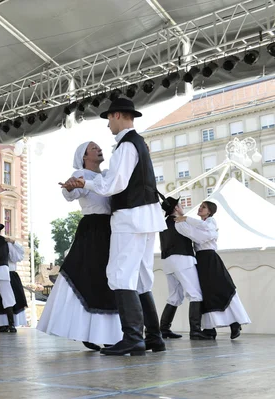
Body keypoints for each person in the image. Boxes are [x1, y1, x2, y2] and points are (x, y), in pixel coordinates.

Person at [74, 98, 167, 356]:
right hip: (146, 217)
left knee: (119, 274)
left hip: (130, 217)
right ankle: (155, 338)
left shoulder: (126, 146)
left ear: (116, 115)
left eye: (108, 119)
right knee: (140, 278)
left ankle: (134, 338)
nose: (107, 126)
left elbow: (114, 184)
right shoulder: (138, 143)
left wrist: (85, 184)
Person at [37, 141, 122, 351]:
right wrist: (69, 187)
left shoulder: (108, 175)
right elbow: (71, 193)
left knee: (107, 279)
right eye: (93, 148)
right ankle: (90, 330)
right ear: (84, 156)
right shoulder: (81, 174)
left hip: (110, 228)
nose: (99, 149)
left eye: (98, 147)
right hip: (93, 229)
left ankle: (108, 332)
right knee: (91, 277)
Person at [175, 201, 251, 339]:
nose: (200, 208)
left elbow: (200, 235)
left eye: (203, 207)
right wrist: (183, 220)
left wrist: (185, 218)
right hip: (201, 260)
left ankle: (234, 323)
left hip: (210, 259)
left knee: (222, 289)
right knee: (206, 293)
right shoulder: (201, 225)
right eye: (200, 206)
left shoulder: (210, 222)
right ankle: (209, 328)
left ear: (210, 211)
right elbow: (194, 234)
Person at [157, 196, 211, 340]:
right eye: (180, 205)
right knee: (195, 294)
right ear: (175, 208)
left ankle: (164, 329)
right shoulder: (179, 222)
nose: (182, 207)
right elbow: (199, 238)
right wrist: (212, 233)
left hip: (168, 262)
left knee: (175, 296)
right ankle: (195, 330)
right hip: (183, 259)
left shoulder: (163, 223)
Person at [0, 240, 28, 333]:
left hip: (6, 274)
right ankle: (6, 324)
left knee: (7, 300)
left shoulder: (6, 245)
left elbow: (19, 255)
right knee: (2, 300)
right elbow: (19, 255)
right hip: (4, 274)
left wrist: (14, 242)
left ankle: (8, 324)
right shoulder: (5, 245)